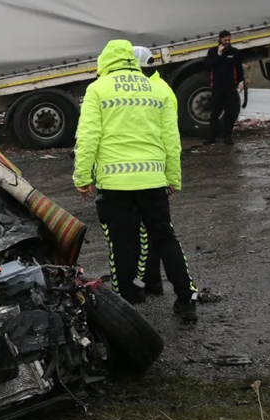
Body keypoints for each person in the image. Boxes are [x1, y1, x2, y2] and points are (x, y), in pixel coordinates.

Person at [73, 39, 198, 323]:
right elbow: (171, 139)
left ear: (105, 61)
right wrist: (172, 178)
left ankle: (126, 302)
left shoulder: (98, 89)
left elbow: (88, 137)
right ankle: (186, 298)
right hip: (153, 180)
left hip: (114, 184)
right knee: (165, 238)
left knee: (121, 242)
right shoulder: (158, 88)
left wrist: (83, 177)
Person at [132, 46, 179, 299]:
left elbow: (169, 138)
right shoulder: (162, 89)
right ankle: (153, 282)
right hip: (155, 173)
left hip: (144, 175)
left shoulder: (150, 91)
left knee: (145, 234)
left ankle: (149, 283)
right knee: (154, 232)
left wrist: (171, 177)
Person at [204, 30, 245, 145]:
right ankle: (212, 137)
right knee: (215, 113)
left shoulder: (234, 52)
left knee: (230, 113)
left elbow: (239, 68)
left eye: (228, 40)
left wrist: (241, 81)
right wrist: (218, 54)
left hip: (230, 87)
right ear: (220, 40)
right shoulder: (213, 51)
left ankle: (227, 136)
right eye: (225, 40)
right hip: (217, 86)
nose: (227, 42)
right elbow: (207, 65)